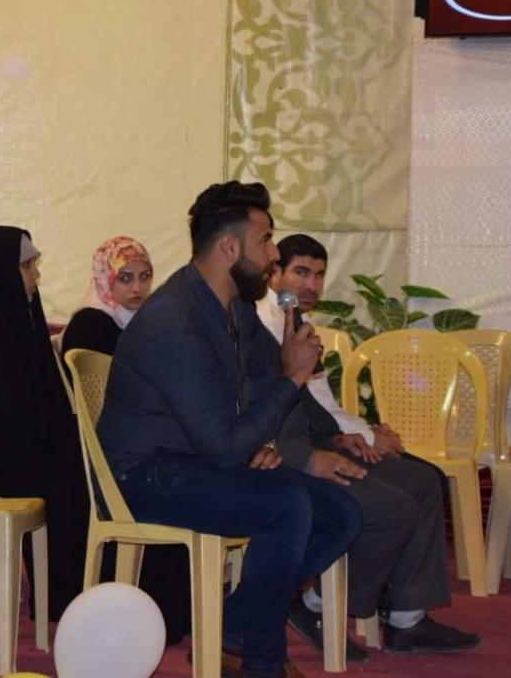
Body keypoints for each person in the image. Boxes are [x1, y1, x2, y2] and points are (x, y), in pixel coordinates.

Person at [97, 182, 361, 678]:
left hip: (197, 459)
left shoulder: (234, 307)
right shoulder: (176, 321)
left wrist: (267, 436)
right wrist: (291, 379)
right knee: (287, 504)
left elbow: (266, 380)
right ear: (229, 247)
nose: (274, 254)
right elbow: (233, 437)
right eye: (266, 240)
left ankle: (233, 625)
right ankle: (262, 663)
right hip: (143, 475)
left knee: (340, 512)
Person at [264, 233, 480, 658]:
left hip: (320, 437)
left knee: (424, 480)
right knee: (393, 507)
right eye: (300, 272)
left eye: (319, 275)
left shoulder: (297, 323)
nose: (311, 284)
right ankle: (314, 605)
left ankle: (407, 619)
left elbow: (320, 403)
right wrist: (352, 438)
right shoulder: (263, 323)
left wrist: (358, 436)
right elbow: (273, 408)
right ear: (274, 273)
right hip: (285, 453)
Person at [0, 226, 88, 621]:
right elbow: (7, 420)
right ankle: (67, 594)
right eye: (26, 267)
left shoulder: (14, 321)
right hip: (3, 460)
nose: (36, 276)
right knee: (83, 472)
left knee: (95, 458)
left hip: (24, 447)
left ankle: (86, 585)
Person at [59, 236, 192, 645]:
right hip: (107, 460)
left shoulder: (137, 324)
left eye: (144, 277)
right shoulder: (92, 325)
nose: (137, 288)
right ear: (105, 279)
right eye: (125, 278)